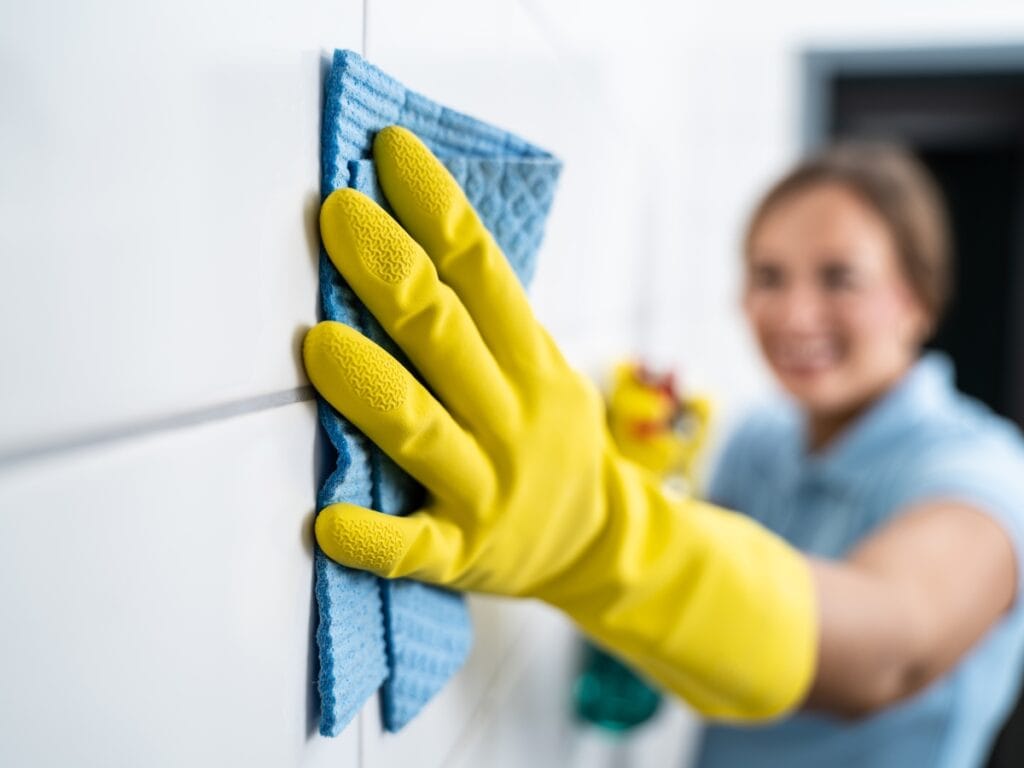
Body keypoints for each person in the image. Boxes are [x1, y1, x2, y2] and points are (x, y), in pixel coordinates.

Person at [303, 126, 1024, 764]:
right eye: (768, 276)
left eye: (840, 278)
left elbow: (893, 651)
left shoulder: (984, 472)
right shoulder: (763, 444)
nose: (795, 313)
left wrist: (594, 534)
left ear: (918, 299)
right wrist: (641, 466)